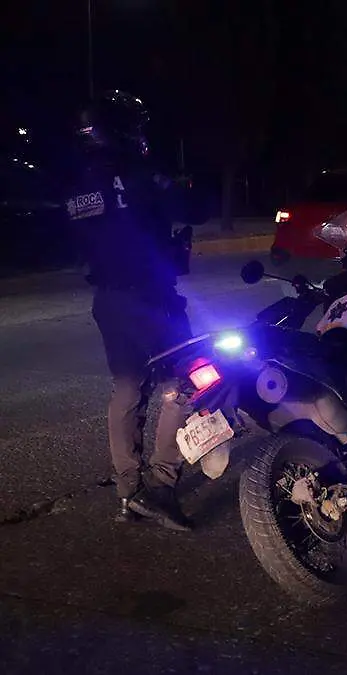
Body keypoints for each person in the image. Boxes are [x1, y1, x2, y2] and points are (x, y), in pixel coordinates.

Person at [64, 90, 204, 531]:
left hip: (107, 298)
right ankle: (162, 485)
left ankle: (129, 491)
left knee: (126, 387)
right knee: (185, 381)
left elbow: (75, 237)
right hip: (151, 296)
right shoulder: (141, 173)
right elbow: (188, 209)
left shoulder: (80, 182)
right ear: (123, 131)